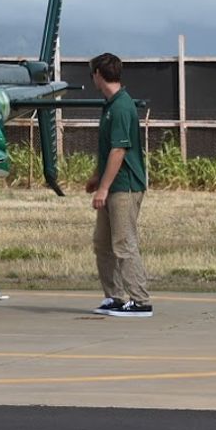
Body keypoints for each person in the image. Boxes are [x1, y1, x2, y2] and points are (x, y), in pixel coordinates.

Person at [86, 52, 150, 318]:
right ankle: (115, 296)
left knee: (124, 242)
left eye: (92, 74)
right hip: (112, 184)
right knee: (102, 243)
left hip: (125, 187)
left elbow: (119, 150)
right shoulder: (110, 105)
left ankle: (140, 300)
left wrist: (103, 188)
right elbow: (106, 149)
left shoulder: (122, 107)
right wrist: (96, 177)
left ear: (98, 74)